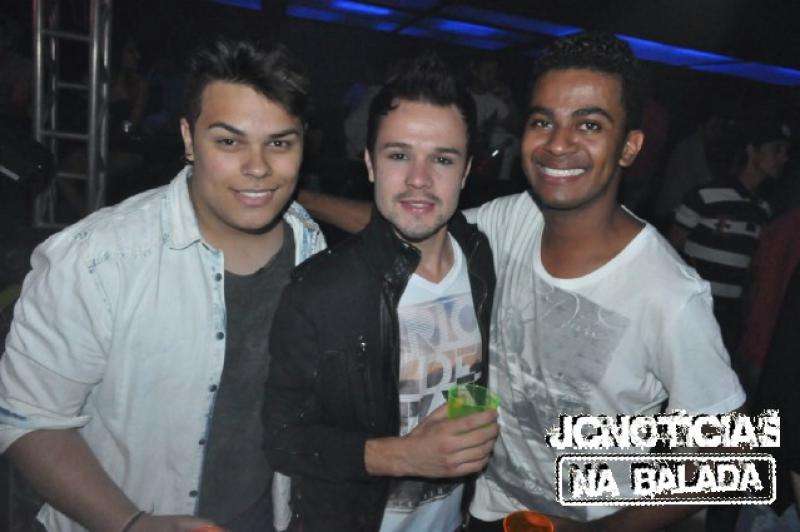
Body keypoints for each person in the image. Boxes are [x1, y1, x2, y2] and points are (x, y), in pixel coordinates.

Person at [297, 32, 745, 531]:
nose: (558, 143)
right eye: (542, 121)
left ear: (628, 147)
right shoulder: (513, 221)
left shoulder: (668, 292)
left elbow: (733, 461)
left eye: (589, 125)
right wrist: (297, 199)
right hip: (488, 509)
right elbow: (413, 224)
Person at [0, 39, 325, 532]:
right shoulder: (97, 261)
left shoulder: (311, 247)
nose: (257, 166)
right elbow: (28, 420)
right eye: (229, 142)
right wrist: (132, 523)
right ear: (189, 139)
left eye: (279, 143)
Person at [263, 53, 498, 532]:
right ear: (370, 163)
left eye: (442, 159)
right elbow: (282, 439)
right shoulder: (320, 290)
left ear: (466, 171)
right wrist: (404, 456)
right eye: (399, 155)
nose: (419, 179)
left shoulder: (479, 257)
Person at [668, 121, 790, 356]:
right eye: (776, 149)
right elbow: (670, 249)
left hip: (727, 318)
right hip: (689, 309)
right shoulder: (705, 196)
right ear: (752, 151)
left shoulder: (763, 211)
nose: (783, 158)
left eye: (786, 152)